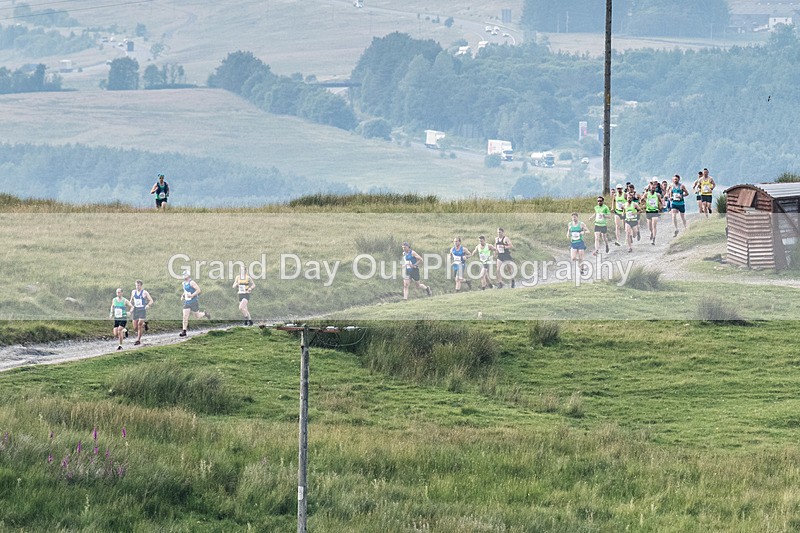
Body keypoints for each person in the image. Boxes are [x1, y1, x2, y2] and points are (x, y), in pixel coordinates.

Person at [179, 271, 211, 337]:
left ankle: (205, 314)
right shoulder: (184, 283)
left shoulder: (192, 282)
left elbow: (198, 290)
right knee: (185, 316)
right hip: (187, 302)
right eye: (183, 275)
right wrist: (183, 295)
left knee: (197, 316)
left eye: (185, 275)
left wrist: (192, 295)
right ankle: (184, 331)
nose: (184, 277)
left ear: (188, 275)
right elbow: (185, 291)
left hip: (194, 302)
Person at [130, 280, 153, 346]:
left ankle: (138, 340)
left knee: (139, 324)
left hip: (142, 309)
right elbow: (131, 300)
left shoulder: (144, 292)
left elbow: (151, 300)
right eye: (136, 285)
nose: (137, 287)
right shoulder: (133, 292)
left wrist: (148, 305)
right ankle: (144, 324)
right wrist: (130, 307)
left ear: (141, 286)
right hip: (136, 309)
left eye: (139, 285)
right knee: (135, 327)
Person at [644, 179, 663, 245]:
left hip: (655, 211)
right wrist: (644, 204)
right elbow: (641, 200)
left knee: (654, 226)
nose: (653, 189)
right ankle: (652, 233)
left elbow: (661, 201)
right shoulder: (646, 194)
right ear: (650, 187)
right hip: (648, 211)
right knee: (650, 227)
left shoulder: (657, 195)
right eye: (652, 187)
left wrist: (661, 207)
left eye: (654, 188)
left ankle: (654, 239)